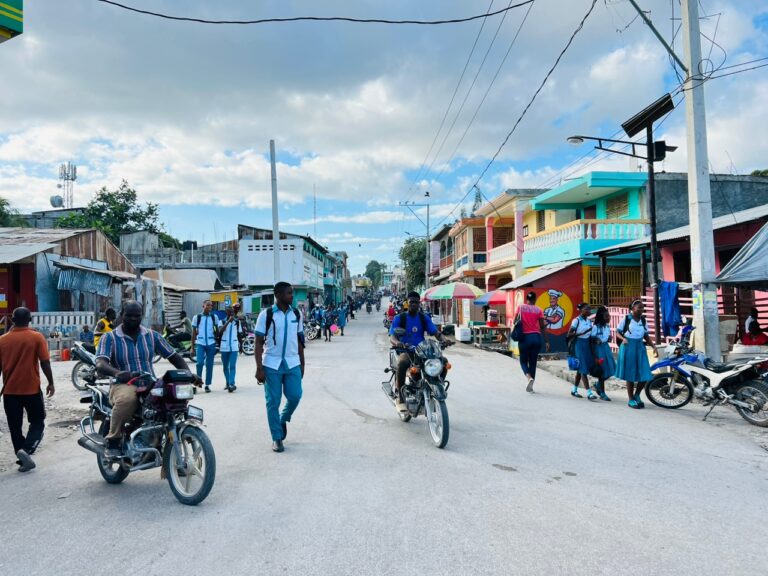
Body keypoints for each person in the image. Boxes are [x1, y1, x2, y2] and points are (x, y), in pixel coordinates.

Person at [95, 300, 196, 459]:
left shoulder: (151, 336)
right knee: (127, 400)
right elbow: (100, 362)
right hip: (123, 384)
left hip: (150, 382)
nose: (133, 319)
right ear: (122, 315)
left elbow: (174, 357)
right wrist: (117, 373)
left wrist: (189, 374)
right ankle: (113, 440)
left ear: (142, 316)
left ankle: (165, 441)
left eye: (137, 315)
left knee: (173, 400)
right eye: (129, 315)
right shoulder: (110, 338)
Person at [0, 307, 55, 472]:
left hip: (10, 392)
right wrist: (51, 382)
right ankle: (27, 450)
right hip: (31, 389)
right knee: (38, 421)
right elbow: (45, 362)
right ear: (30, 319)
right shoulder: (36, 337)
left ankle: (22, 457)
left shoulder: (2, 340)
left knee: (15, 426)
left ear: (12, 320)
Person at [254, 282, 305, 453]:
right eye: (289, 293)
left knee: (295, 395)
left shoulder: (296, 314)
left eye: (292, 293)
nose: (292, 296)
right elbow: (258, 343)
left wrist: (302, 363)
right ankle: (276, 438)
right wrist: (259, 367)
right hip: (271, 364)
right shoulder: (266, 315)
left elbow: (299, 341)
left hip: (292, 363)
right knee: (272, 402)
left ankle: (283, 418)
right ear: (278, 295)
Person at [389, 291, 445, 413]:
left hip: (422, 350)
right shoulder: (400, 318)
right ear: (407, 303)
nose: (413, 304)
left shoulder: (423, 318)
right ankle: (401, 398)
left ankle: (438, 386)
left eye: (416, 302)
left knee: (443, 362)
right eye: (411, 302)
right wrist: (397, 343)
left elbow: (435, 332)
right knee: (402, 362)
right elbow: (392, 336)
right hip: (406, 349)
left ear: (419, 303)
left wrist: (443, 339)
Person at [615, 299, 658, 409]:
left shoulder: (643, 320)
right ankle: (630, 399)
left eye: (642, 307)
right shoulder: (626, 319)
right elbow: (617, 332)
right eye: (639, 307)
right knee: (630, 374)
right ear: (632, 309)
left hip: (640, 347)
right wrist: (623, 339)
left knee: (645, 373)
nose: (641, 309)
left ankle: (637, 395)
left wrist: (653, 347)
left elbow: (646, 336)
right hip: (628, 346)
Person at [517, 291, 550, 393]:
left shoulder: (521, 308)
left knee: (523, 361)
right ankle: (531, 386)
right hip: (536, 338)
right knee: (533, 362)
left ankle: (528, 377)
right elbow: (542, 327)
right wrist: (547, 341)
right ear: (535, 299)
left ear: (527, 299)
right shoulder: (539, 310)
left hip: (525, 338)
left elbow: (515, 321)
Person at [567, 303, 598, 400]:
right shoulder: (576, 321)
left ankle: (574, 390)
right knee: (583, 368)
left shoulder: (589, 321)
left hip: (587, 345)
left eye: (590, 309)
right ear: (582, 310)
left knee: (581, 370)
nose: (589, 311)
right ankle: (589, 393)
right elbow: (569, 334)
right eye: (587, 309)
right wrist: (580, 333)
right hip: (578, 345)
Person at [191, 300, 221, 393]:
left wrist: (217, 339)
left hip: (211, 343)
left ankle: (207, 385)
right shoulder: (197, 317)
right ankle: (197, 383)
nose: (209, 307)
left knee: (209, 364)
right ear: (203, 306)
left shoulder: (214, 317)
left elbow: (216, 330)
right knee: (199, 363)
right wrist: (192, 347)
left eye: (211, 306)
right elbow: (193, 332)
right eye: (208, 305)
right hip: (200, 343)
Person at [590, 306, 616, 401]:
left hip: (606, 348)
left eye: (609, 316)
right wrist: (596, 340)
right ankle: (602, 393)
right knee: (603, 372)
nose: (609, 318)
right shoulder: (595, 327)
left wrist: (609, 339)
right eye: (606, 316)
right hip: (599, 350)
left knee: (612, 369)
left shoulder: (607, 327)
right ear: (601, 317)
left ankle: (598, 385)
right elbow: (591, 339)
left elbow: (607, 337)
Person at [219, 305, 243, 392]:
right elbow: (220, 331)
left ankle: (232, 384)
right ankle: (228, 382)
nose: (232, 313)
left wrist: (240, 346)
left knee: (232, 366)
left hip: (234, 346)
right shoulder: (221, 321)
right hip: (224, 347)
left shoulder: (237, 322)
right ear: (226, 312)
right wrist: (228, 321)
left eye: (232, 312)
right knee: (225, 366)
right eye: (230, 312)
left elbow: (239, 334)